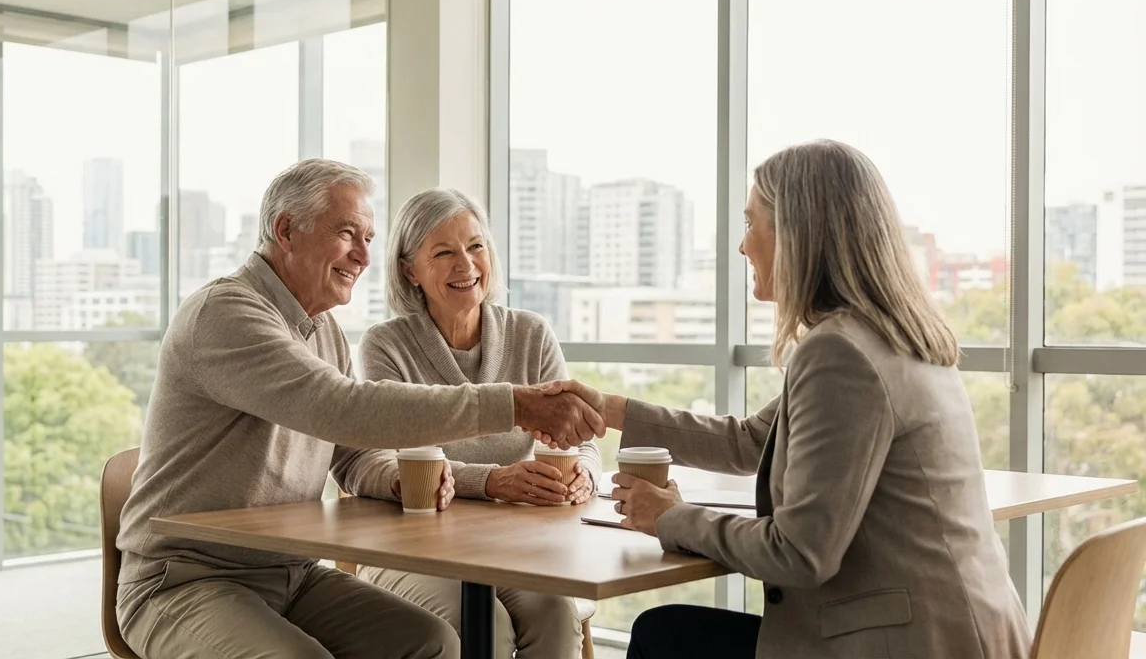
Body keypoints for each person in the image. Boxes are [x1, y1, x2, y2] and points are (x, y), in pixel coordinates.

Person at [115, 160, 604, 659]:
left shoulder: (322, 329)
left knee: (431, 642)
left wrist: (395, 478)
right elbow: (340, 409)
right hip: (186, 580)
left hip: (295, 574)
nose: (364, 255)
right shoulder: (225, 314)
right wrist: (514, 405)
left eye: (369, 237)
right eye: (348, 233)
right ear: (285, 230)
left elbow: (350, 454)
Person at [571, 140, 1032, 658]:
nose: (743, 247)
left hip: (907, 644)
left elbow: (799, 554)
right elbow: (749, 442)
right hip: (961, 631)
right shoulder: (890, 335)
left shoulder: (841, 355)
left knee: (667, 639)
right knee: (671, 633)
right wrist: (606, 410)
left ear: (796, 235)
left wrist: (670, 516)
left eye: (751, 224)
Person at [343, 188, 599, 658]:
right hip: (411, 547)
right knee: (485, 626)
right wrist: (494, 481)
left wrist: (584, 473)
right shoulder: (385, 346)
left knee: (556, 615)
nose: (466, 265)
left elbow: (580, 440)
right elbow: (384, 460)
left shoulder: (531, 334)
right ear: (409, 270)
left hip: (514, 545)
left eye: (475, 246)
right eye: (443, 252)